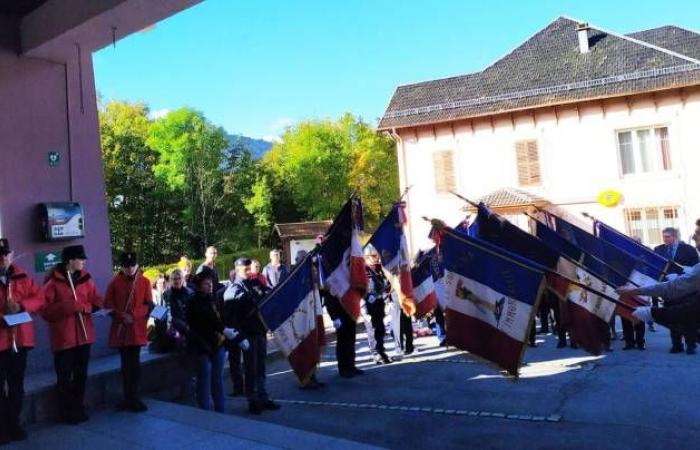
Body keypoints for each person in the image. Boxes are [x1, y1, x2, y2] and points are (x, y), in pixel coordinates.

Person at [41, 245, 103, 424]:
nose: (83, 261)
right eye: (80, 258)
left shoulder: (86, 279)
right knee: (64, 377)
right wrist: (66, 307)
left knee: (81, 375)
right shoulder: (52, 282)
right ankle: (66, 411)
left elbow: (97, 300)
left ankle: (78, 407)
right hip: (64, 339)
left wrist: (86, 307)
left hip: (84, 336)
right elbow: (44, 310)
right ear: (70, 261)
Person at [0, 238, 44, 443]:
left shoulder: (23, 276)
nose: (3, 258)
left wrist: (21, 306)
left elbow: (39, 299)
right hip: (0, 341)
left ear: (11, 254)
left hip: (20, 341)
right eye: (0, 255)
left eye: (5, 254)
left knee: (17, 386)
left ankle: (14, 425)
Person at [223, 258, 280, 414]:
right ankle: (253, 400)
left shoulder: (255, 283)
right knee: (251, 368)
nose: (249, 272)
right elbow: (230, 318)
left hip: (260, 331)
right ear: (237, 270)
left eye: (249, 269)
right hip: (248, 335)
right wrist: (240, 338)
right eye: (245, 270)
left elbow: (267, 295)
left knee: (261, 367)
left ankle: (263, 396)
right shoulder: (234, 289)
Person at [104, 252, 154, 412]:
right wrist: (121, 316)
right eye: (127, 266)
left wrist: (133, 315)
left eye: (133, 265)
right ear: (122, 267)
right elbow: (107, 306)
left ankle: (135, 397)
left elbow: (148, 305)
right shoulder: (114, 283)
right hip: (122, 331)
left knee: (135, 365)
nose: (130, 269)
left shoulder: (145, 282)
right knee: (126, 365)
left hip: (137, 328)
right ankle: (128, 397)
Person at [186, 271, 242, 412]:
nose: (210, 285)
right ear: (199, 286)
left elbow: (221, 318)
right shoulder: (193, 301)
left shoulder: (214, 298)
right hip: (201, 345)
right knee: (204, 381)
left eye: (210, 283)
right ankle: (204, 412)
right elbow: (206, 319)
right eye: (206, 283)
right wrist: (224, 329)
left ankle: (220, 411)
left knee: (217, 380)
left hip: (217, 344)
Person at [617, 264, 700, 354]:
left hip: (683, 301)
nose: (697, 249)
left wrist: (651, 312)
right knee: (685, 322)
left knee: (686, 321)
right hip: (682, 301)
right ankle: (682, 345)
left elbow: (676, 288)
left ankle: (682, 345)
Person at [652, 227, 700, 348]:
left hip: (686, 289)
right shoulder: (658, 249)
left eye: (667, 236)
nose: (665, 239)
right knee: (671, 316)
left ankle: (690, 344)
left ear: (675, 236)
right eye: (663, 236)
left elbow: (695, 269)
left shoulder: (689, 250)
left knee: (688, 317)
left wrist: (679, 276)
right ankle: (676, 344)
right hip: (668, 289)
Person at [363, 245, 392, 364]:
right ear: (367, 257)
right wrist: (365, 298)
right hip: (367, 303)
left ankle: (381, 350)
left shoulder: (380, 269)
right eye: (373, 256)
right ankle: (375, 353)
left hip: (379, 302)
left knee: (380, 328)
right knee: (371, 329)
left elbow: (386, 283)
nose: (376, 258)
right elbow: (359, 286)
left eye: (376, 256)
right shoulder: (362, 269)